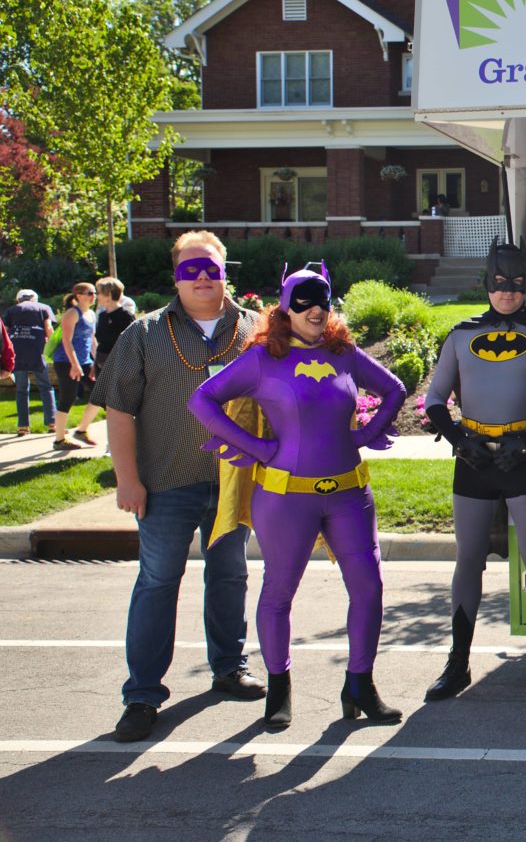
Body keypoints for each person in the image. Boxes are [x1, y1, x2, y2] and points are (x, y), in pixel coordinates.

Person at [188, 262, 407, 728]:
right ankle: (279, 689)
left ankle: (360, 686)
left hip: (350, 493)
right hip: (286, 498)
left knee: (368, 588)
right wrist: (259, 447)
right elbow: (201, 400)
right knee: (279, 592)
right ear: (285, 309)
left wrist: (367, 434)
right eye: (303, 301)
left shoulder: (344, 353)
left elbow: (394, 389)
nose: (314, 309)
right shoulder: (264, 357)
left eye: (322, 300)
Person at [91, 231, 264, 743]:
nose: (204, 277)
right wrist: (128, 480)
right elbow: (118, 411)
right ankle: (143, 695)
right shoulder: (144, 334)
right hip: (164, 483)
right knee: (158, 582)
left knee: (230, 575)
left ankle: (229, 668)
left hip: (235, 482)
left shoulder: (255, 329)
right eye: (192, 270)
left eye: (211, 267)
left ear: (225, 269)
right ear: (176, 278)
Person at [423, 240, 526, 702]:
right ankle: (458, 662)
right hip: (474, 461)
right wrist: (460, 440)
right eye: (499, 284)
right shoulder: (460, 334)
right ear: (486, 284)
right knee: (468, 558)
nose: (507, 293)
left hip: (525, 462)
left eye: (516, 285)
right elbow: (434, 400)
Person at [52, 283, 100, 451]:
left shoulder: (92, 314)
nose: (93, 296)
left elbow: (92, 340)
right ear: (78, 295)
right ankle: (59, 440)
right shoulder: (72, 314)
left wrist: (95, 361)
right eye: (89, 293)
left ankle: (81, 430)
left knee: (101, 394)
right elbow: (66, 340)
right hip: (66, 363)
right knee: (68, 397)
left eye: (95, 293)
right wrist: (74, 364)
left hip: (85, 362)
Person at [3, 288, 54, 436]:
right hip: (37, 352)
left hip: (17, 353)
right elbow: (49, 328)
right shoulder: (44, 308)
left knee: (21, 389)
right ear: (34, 298)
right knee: (46, 387)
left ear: (18, 299)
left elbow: (4, 333)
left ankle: (23, 427)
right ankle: (52, 423)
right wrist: (53, 349)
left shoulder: (11, 310)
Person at [93, 277, 136, 367]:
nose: (96, 296)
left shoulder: (125, 315)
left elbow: (132, 341)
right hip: (101, 361)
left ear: (108, 295)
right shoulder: (102, 315)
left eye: (99, 293)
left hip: (119, 364)